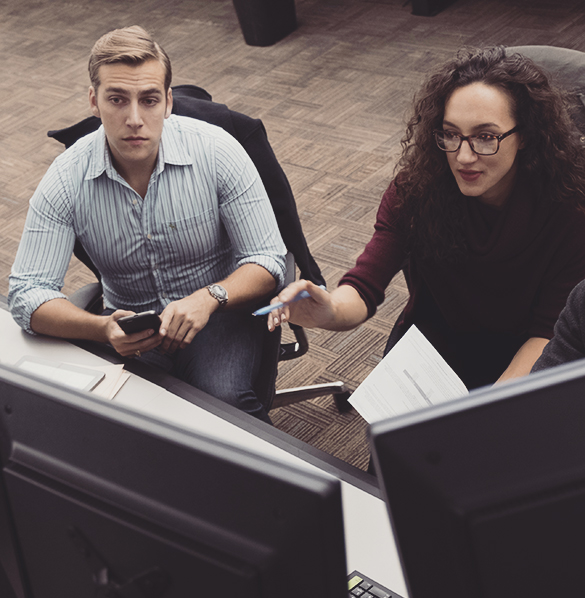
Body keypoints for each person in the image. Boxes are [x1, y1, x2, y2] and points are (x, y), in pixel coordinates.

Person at [9, 26, 286, 421]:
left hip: (218, 314)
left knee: (222, 408)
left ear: (168, 102)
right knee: (120, 424)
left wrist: (208, 298)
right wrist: (100, 328)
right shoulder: (66, 178)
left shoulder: (217, 151)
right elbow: (26, 293)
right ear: (94, 101)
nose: (135, 119)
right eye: (117, 100)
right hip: (132, 328)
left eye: (149, 100)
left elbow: (268, 259)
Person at [266, 46, 585, 390]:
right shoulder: (416, 191)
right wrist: (329, 310)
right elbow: (364, 284)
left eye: (485, 137)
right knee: (399, 442)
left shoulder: (570, 208)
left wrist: (488, 408)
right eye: (450, 134)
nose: (464, 156)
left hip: (524, 351)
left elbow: (547, 333)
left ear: (524, 136)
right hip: (434, 342)